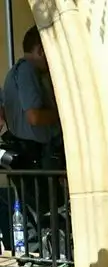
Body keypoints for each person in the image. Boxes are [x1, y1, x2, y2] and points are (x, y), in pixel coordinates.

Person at [2, 25, 63, 170]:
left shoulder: (16, 71)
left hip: (30, 154)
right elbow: (34, 117)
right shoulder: (27, 70)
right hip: (38, 155)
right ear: (41, 50)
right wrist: (63, 115)